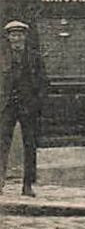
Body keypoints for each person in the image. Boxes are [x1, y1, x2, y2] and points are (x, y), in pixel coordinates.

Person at [0, 21, 47, 197]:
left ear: (25, 37)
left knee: (30, 145)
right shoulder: (1, 57)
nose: (17, 38)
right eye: (13, 35)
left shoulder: (35, 57)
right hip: (6, 106)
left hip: (28, 106)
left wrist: (37, 103)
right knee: (1, 144)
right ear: (8, 37)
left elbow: (43, 82)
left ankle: (28, 185)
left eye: (20, 35)